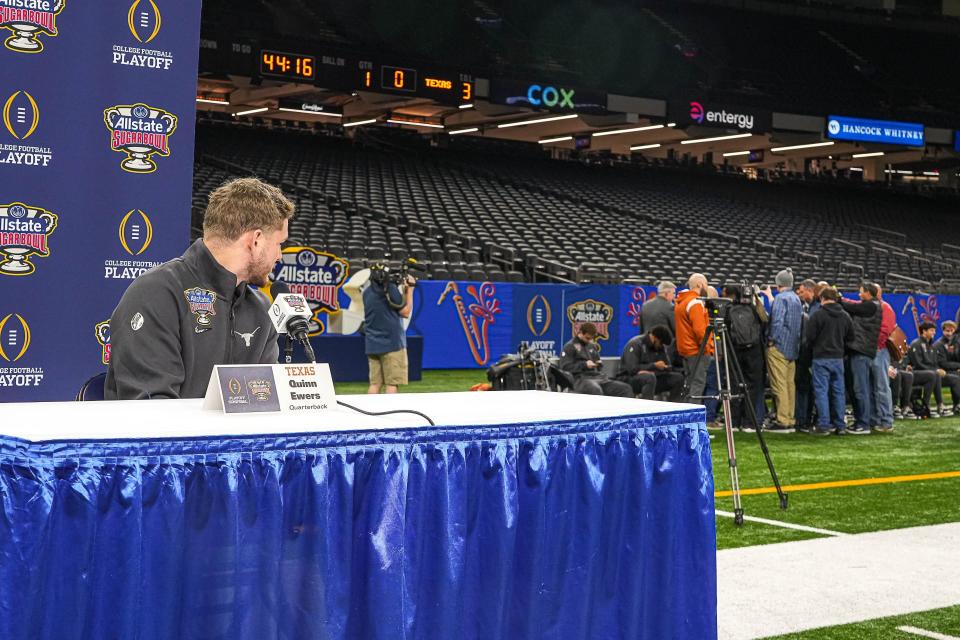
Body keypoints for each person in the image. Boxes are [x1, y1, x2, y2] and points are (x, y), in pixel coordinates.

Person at [105, 177, 294, 399]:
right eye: (279, 243)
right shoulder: (157, 293)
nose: (280, 255)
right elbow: (151, 413)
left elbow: (265, 402)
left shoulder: (261, 310)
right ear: (256, 241)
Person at [805, 287, 855, 436]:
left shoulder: (817, 315)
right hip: (838, 358)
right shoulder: (845, 316)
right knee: (839, 392)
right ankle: (840, 425)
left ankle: (824, 424)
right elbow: (851, 338)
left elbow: (810, 338)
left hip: (821, 358)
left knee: (821, 392)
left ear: (822, 298)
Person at [723, 284, 768, 431]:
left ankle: (734, 422)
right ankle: (749, 422)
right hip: (753, 352)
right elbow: (765, 322)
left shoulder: (729, 310)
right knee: (753, 387)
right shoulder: (755, 310)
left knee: (735, 385)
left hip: (734, 351)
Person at [363, 265, 415, 394]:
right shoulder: (390, 290)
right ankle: (389, 413)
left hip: (372, 343)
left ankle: (368, 413)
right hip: (392, 344)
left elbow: (388, 307)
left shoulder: (367, 292)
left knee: (375, 384)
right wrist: (410, 290)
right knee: (392, 384)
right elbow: (405, 312)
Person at [837, 283, 880, 434]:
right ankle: (861, 421)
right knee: (859, 388)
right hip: (858, 351)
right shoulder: (869, 306)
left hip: (861, 351)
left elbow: (854, 308)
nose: (859, 294)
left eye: (861, 292)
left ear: (868, 292)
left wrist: (840, 301)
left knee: (860, 389)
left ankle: (864, 423)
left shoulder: (872, 306)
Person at [765, 268, 803, 430]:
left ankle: (782, 420)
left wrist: (771, 341)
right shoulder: (796, 298)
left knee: (779, 385)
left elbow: (777, 322)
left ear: (778, 283)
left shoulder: (781, 298)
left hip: (778, 347)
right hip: (792, 347)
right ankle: (789, 418)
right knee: (789, 385)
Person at [559, 323, 634, 397]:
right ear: (581, 333)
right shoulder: (569, 347)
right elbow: (565, 367)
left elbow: (598, 364)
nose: (589, 340)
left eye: (591, 338)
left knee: (625, 389)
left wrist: (598, 364)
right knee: (595, 389)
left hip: (598, 378)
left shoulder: (592, 346)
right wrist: (584, 365)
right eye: (587, 338)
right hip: (580, 379)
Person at [675, 273, 713, 405]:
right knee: (697, 386)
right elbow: (700, 330)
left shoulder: (682, 301)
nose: (707, 288)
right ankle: (693, 420)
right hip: (697, 351)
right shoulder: (695, 302)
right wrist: (708, 348)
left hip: (685, 350)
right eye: (706, 284)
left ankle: (687, 417)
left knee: (690, 385)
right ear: (699, 284)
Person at [617, 325, 684, 400]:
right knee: (649, 377)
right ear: (656, 338)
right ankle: (648, 408)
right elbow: (632, 369)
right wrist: (654, 366)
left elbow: (667, 365)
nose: (661, 346)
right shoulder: (636, 344)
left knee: (678, 378)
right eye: (661, 343)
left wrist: (666, 367)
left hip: (653, 378)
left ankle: (673, 407)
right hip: (629, 379)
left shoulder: (660, 347)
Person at [794, 279, 820, 432]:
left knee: (806, 388)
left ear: (810, 291)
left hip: (810, 354)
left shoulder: (816, 309)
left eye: (802, 291)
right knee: (806, 388)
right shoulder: (809, 307)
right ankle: (805, 418)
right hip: (808, 354)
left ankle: (803, 419)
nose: (800, 294)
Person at [870, 286, 896, 431]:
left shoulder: (885, 307)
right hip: (874, 350)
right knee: (874, 386)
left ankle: (886, 421)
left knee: (881, 386)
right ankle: (876, 419)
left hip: (880, 350)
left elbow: (885, 330)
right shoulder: (873, 307)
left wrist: (873, 344)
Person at [906, 321, 945, 417]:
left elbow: (935, 363)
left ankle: (940, 404)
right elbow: (917, 364)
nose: (934, 333)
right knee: (933, 374)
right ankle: (925, 405)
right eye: (932, 330)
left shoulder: (931, 345)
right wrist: (935, 370)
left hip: (929, 372)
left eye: (934, 331)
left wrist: (938, 370)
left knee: (936, 374)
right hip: (915, 373)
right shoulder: (916, 344)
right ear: (924, 331)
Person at [934, 320, 960, 416]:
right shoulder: (939, 344)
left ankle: (957, 404)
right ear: (943, 331)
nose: (949, 333)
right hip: (941, 372)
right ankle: (957, 404)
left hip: (953, 370)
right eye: (947, 331)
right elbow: (943, 363)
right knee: (956, 377)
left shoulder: (956, 342)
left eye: (951, 331)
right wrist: (958, 366)